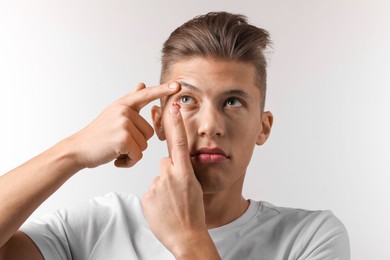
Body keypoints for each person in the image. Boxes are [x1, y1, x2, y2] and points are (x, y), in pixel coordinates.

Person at [0, 12, 350, 260]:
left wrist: (189, 240)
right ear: (159, 122)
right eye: (186, 99)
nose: (209, 125)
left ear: (263, 127)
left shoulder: (310, 238)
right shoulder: (100, 225)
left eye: (232, 101)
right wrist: (73, 150)